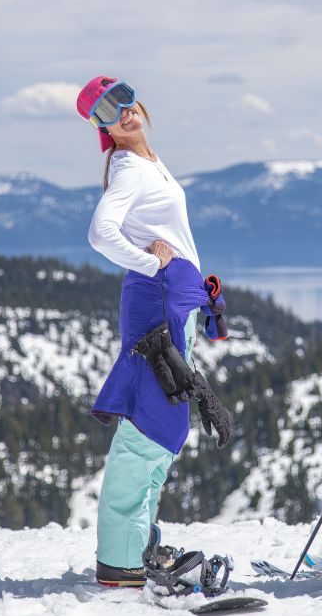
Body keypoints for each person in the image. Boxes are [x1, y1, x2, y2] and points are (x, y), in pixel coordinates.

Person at [76, 76, 231, 588]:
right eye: (104, 111)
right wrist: (148, 263)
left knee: (163, 425)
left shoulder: (146, 163)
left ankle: (136, 542)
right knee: (150, 425)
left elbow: (172, 237)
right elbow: (101, 232)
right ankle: (119, 559)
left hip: (170, 300)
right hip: (157, 301)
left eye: (122, 95)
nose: (120, 110)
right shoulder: (126, 167)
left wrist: (200, 294)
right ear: (103, 129)